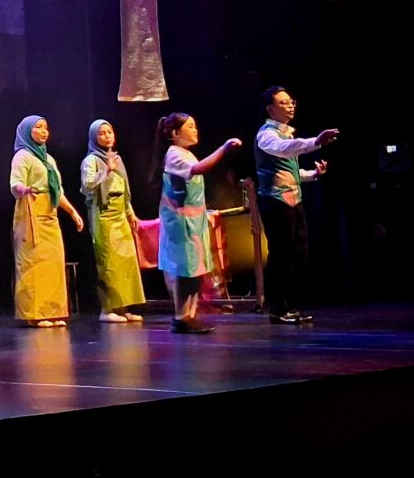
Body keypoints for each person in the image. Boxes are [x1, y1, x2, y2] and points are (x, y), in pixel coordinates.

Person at [149, 113, 240, 334]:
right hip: (180, 222)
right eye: (190, 126)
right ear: (175, 133)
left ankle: (190, 315)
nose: (195, 130)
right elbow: (198, 169)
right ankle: (181, 317)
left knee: (195, 270)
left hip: (194, 219)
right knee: (184, 270)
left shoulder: (186, 153)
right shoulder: (174, 154)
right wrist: (223, 149)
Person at [255, 87, 338, 324]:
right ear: (270, 109)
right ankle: (278, 308)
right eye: (283, 103)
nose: (290, 105)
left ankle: (290, 306)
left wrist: (313, 174)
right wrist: (315, 142)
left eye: (291, 101)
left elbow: (289, 172)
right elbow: (283, 150)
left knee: (299, 253)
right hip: (275, 201)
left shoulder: (286, 135)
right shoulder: (266, 134)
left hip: (293, 200)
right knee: (282, 255)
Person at [9, 116, 84, 327]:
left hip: (50, 211)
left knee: (53, 262)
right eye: (38, 127)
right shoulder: (22, 156)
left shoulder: (48, 159)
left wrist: (72, 212)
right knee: (33, 262)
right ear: (27, 131)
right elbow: (15, 184)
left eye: (46, 128)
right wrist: (24, 189)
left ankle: (52, 311)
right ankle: (35, 314)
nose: (44, 131)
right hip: (30, 209)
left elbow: (57, 191)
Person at [80, 120, 146, 323]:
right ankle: (107, 309)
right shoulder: (91, 160)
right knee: (109, 263)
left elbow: (123, 190)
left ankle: (123, 308)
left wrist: (130, 213)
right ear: (94, 137)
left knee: (126, 263)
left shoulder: (117, 159)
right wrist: (106, 170)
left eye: (109, 132)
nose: (107, 136)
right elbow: (87, 185)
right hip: (103, 215)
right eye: (102, 133)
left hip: (120, 215)